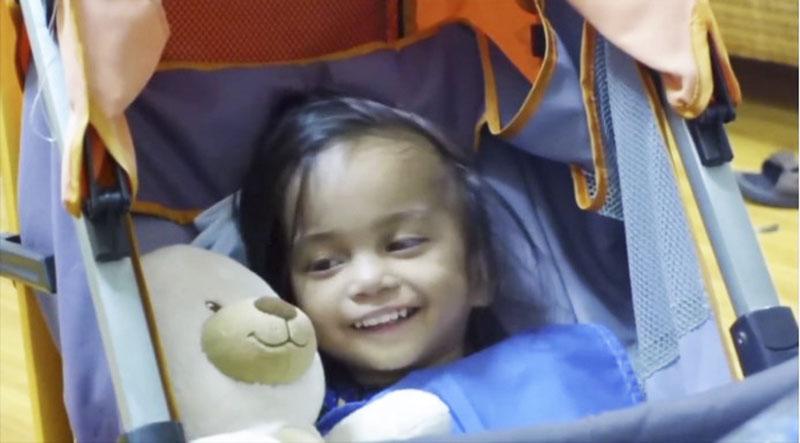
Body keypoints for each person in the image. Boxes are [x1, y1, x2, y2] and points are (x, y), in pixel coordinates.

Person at [238, 93, 643, 435]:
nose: (370, 280)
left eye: (403, 244)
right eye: (325, 263)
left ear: (479, 272)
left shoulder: (557, 370)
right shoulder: (296, 430)